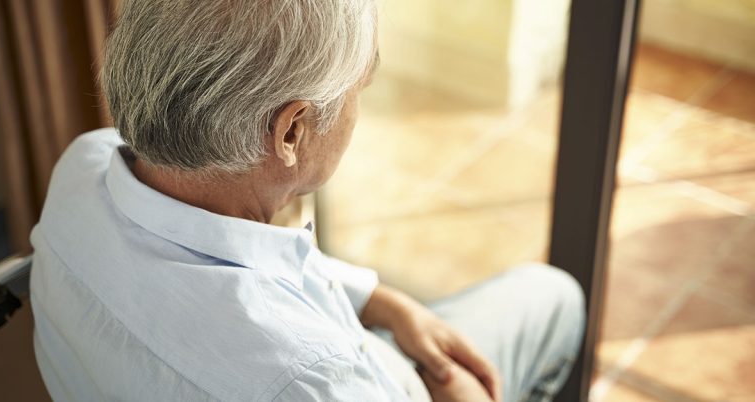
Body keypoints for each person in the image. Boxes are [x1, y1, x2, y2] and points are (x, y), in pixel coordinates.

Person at [29, 0, 585, 401]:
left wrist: (385, 302)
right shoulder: (316, 383)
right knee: (554, 296)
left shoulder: (86, 166)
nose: (358, 106)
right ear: (291, 132)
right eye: (360, 86)